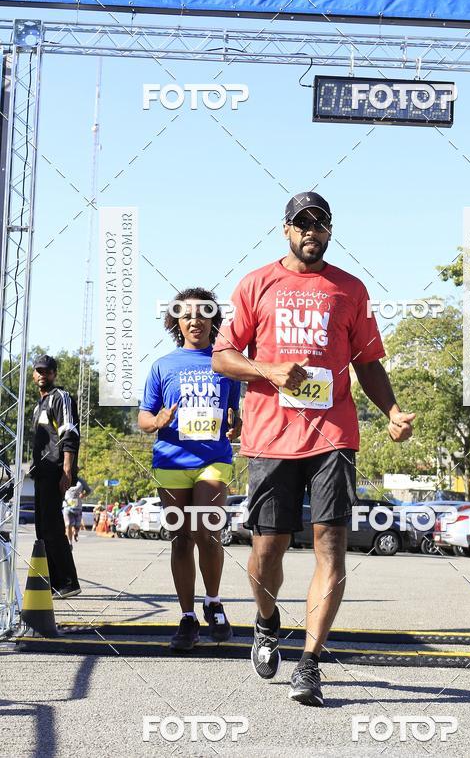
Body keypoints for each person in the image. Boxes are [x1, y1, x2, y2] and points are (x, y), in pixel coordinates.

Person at [212, 191, 414, 707]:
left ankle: (310, 662)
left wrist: (391, 411)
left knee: (330, 546)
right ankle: (266, 620)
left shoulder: (350, 289)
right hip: (271, 438)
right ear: (285, 229)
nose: (311, 231)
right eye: (302, 223)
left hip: (334, 437)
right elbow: (223, 356)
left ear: (330, 230)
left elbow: (367, 362)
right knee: (266, 551)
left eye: (319, 224)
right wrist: (268, 369)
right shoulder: (256, 283)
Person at [139, 287, 242, 651]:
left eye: (203, 313)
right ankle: (187, 617)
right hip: (171, 460)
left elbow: (234, 417)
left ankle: (213, 602)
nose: (195, 320)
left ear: (214, 320)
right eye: (187, 314)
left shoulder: (226, 363)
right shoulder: (162, 365)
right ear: (176, 322)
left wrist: (236, 426)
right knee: (180, 538)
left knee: (206, 528)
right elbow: (143, 417)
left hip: (212, 459)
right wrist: (157, 421)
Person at [31, 354, 81, 599]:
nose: (43, 374)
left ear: (54, 374)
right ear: (33, 374)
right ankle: (53, 581)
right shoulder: (37, 405)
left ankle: (69, 582)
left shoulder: (61, 398)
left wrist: (67, 470)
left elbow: (69, 434)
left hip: (56, 472)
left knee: (53, 528)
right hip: (40, 474)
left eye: (47, 371)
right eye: (39, 370)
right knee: (42, 530)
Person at [62, 477, 91, 547]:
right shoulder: (63, 478)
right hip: (67, 506)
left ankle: (76, 533)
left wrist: (83, 495)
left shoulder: (81, 481)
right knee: (68, 525)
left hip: (77, 507)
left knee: (77, 526)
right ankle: (69, 542)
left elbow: (88, 490)